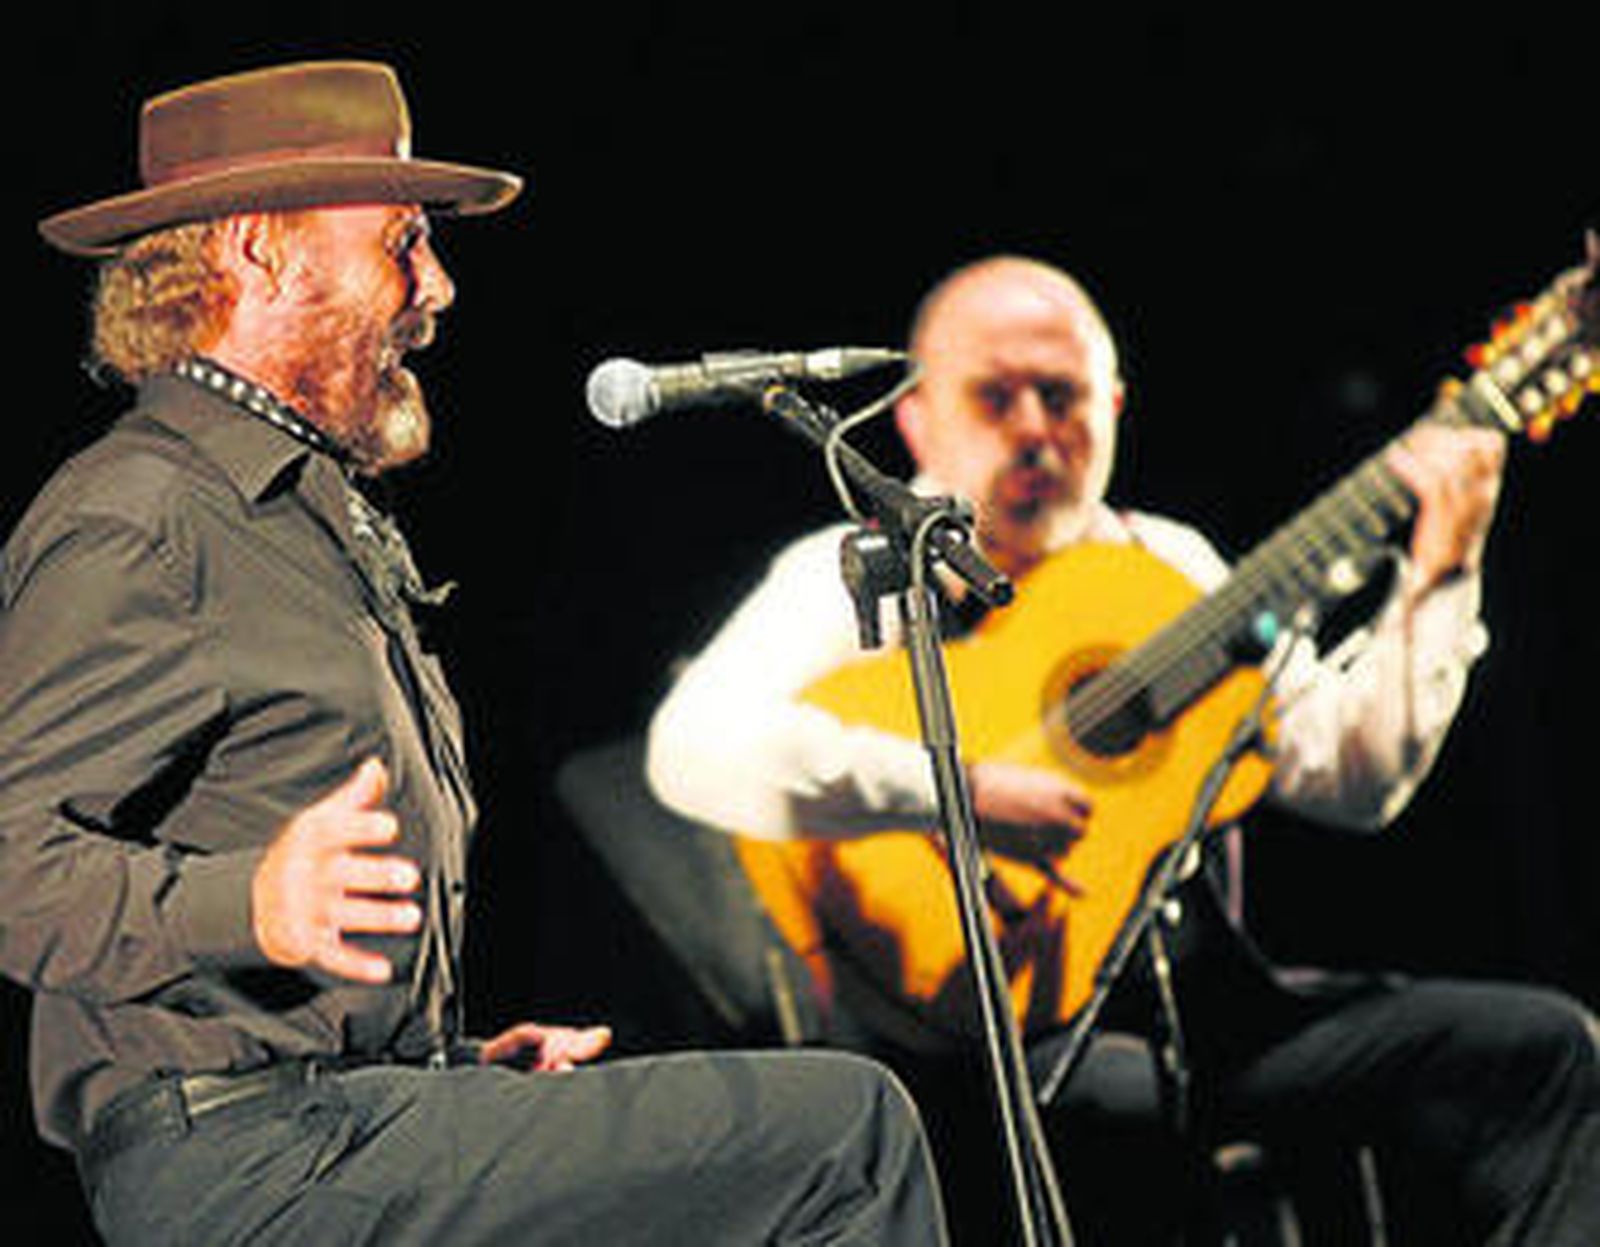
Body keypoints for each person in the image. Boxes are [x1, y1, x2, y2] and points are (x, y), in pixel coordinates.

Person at [1, 61, 950, 1246]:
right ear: (259, 252)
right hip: (245, 1169)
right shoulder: (142, 514)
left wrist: (456, 1070)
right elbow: (14, 862)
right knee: (843, 1137)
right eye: (401, 244)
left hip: (346, 1128)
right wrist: (241, 900)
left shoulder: (294, 515)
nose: (436, 287)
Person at [646, 254, 1600, 1242]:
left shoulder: (1170, 563)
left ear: (1111, 404)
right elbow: (692, 746)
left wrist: (1439, 573)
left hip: (1214, 1018)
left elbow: (1350, 781)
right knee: (1121, 1119)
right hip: (984, 1052)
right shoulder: (847, 578)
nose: (1033, 427)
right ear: (916, 420)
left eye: (1061, 396)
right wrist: (958, 791)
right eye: (994, 395)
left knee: (1546, 1049)